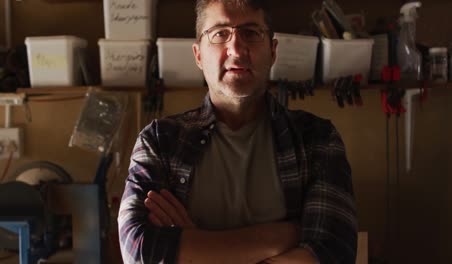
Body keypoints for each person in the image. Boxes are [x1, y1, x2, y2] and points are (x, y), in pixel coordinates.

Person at [118, 0, 357, 263]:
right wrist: (282, 237)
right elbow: (139, 250)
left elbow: (334, 252)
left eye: (251, 33)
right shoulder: (159, 142)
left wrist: (193, 249)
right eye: (220, 34)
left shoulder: (317, 139)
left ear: (273, 50)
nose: (236, 48)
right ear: (198, 55)